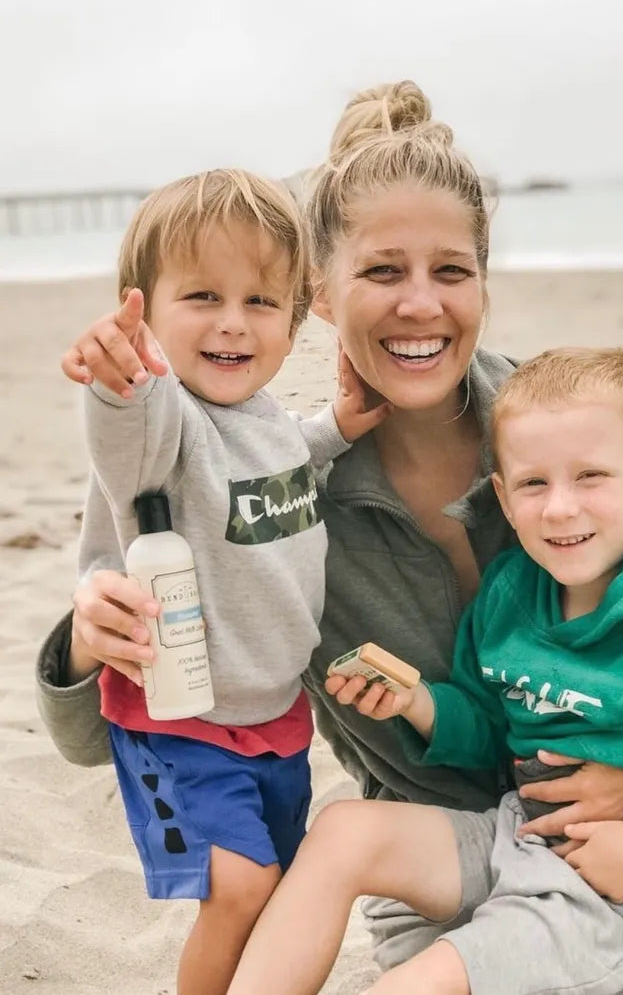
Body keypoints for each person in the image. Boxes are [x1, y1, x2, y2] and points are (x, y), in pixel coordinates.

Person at [36, 82, 623, 993]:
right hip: (449, 851)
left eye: (451, 272)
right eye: (382, 273)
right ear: (320, 298)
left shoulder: (596, 429)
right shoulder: (279, 497)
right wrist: (85, 642)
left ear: (484, 285)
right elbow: (118, 737)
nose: (421, 305)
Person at [225, 346, 623, 995]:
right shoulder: (512, 593)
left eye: (592, 477)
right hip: (514, 828)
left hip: (606, 880)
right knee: (343, 831)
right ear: (502, 495)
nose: (560, 508)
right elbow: (489, 723)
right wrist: (419, 703)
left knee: (425, 980)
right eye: (535, 483)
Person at [58, 167, 387, 995]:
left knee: (271, 889)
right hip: (182, 713)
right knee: (239, 885)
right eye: (202, 296)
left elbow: (274, 475)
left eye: (259, 303)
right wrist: (120, 375)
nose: (233, 324)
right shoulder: (164, 416)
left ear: (292, 317)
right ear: (148, 308)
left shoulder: (263, 417)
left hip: (275, 716)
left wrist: (336, 430)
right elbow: (128, 429)